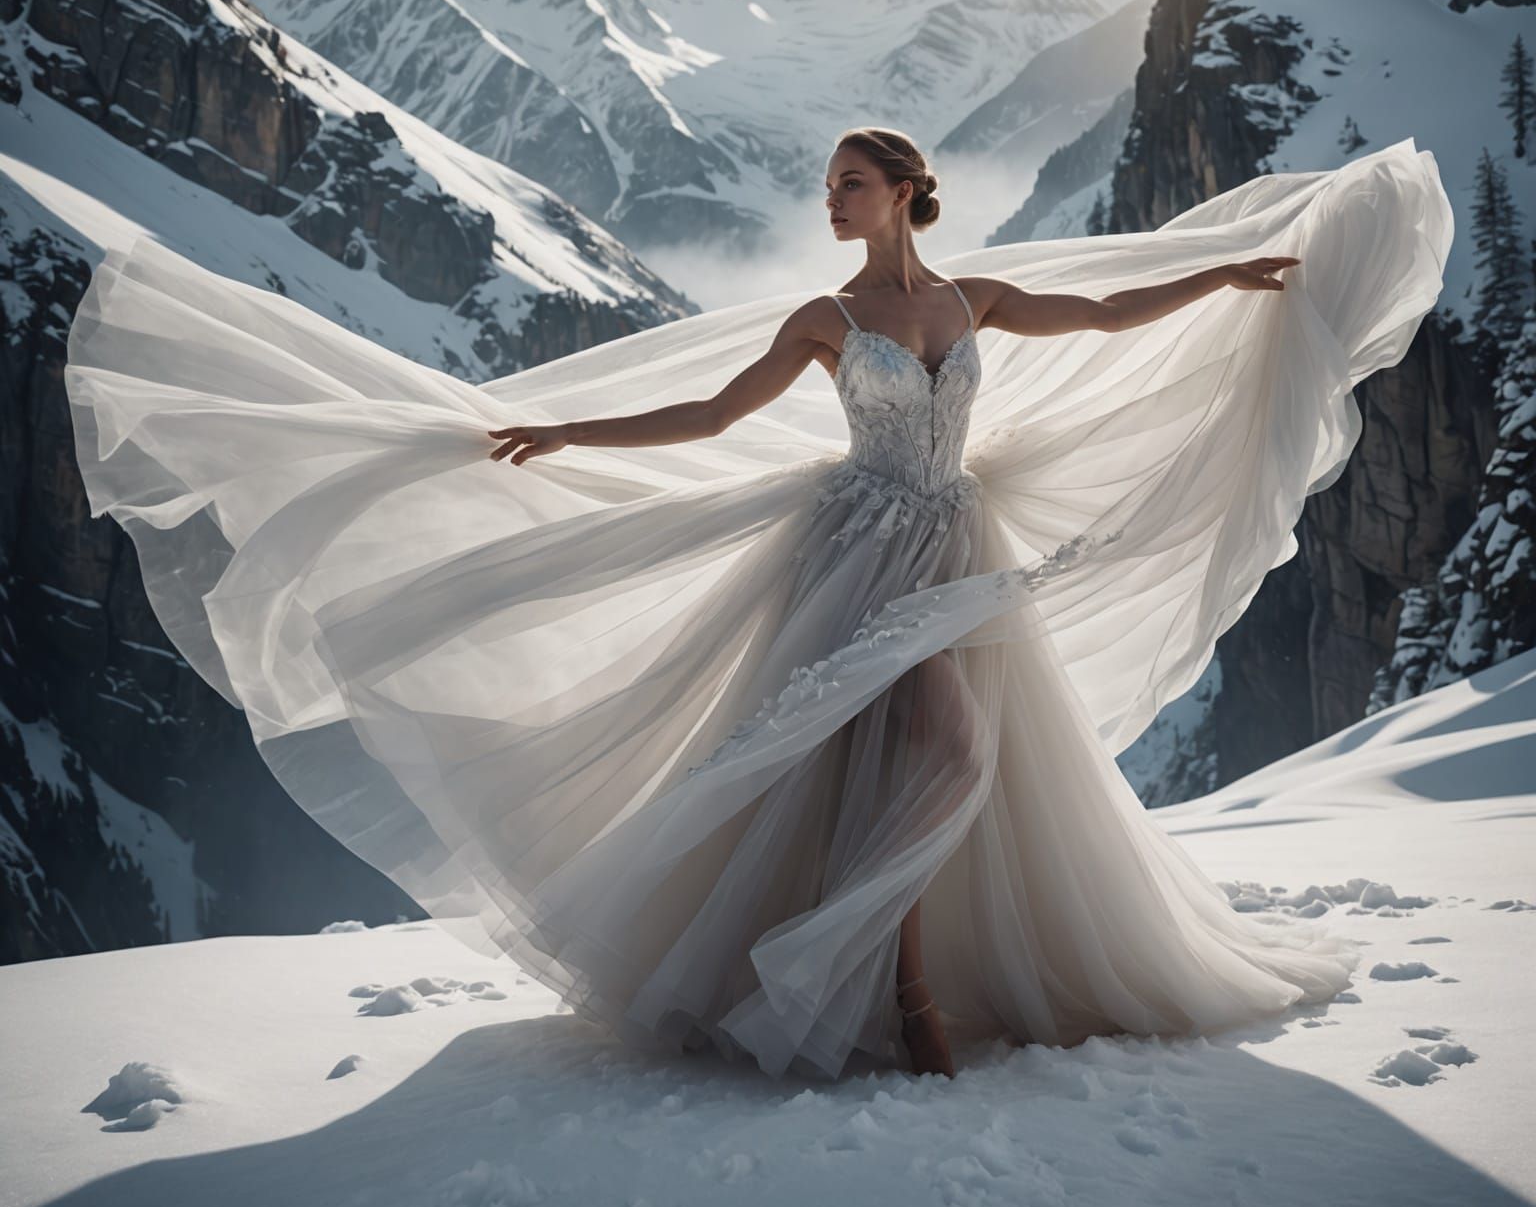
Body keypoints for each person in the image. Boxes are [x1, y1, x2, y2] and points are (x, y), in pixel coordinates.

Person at [64, 127, 1454, 1083]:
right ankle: (891, 985)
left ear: (908, 190)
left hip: (955, 547)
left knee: (957, 762)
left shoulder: (972, 301)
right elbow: (707, 411)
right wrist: (567, 439)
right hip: (854, 556)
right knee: (944, 756)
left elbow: (1102, 316)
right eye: (827, 188)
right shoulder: (822, 320)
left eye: (851, 183)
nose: (832, 203)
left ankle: (889, 966)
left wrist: (1223, 277)